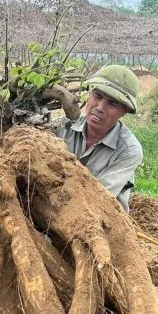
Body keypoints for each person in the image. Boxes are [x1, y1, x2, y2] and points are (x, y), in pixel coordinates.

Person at [54, 64, 142, 212]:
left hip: (99, 222)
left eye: (112, 103)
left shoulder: (129, 151)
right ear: (89, 95)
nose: (100, 107)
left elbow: (98, 200)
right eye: (97, 96)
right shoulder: (61, 128)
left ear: (124, 111)